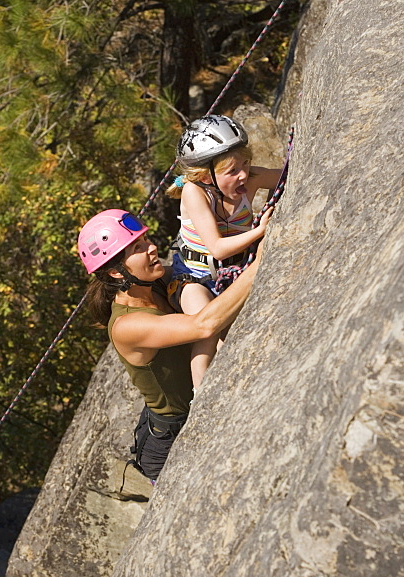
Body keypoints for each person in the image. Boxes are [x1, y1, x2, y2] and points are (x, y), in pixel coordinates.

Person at [77, 208, 264, 482]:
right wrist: (261, 262)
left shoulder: (154, 283)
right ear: (117, 274)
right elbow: (204, 325)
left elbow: (197, 268)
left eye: (147, 239)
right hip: (169, 442)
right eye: (138, 248)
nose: (152, 248)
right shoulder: (127, 327)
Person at [166, 114, 283, 388]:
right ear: (206, 175)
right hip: (194, 278)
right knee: (207, 328)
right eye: (232, 171)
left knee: (233, 336)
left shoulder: (251, 179)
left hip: (234, 271)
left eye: (245, 163)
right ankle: (201, 397)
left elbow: (292, 175)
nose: (242, 174)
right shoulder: (195, 192)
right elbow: (217, 248)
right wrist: (260, 230)